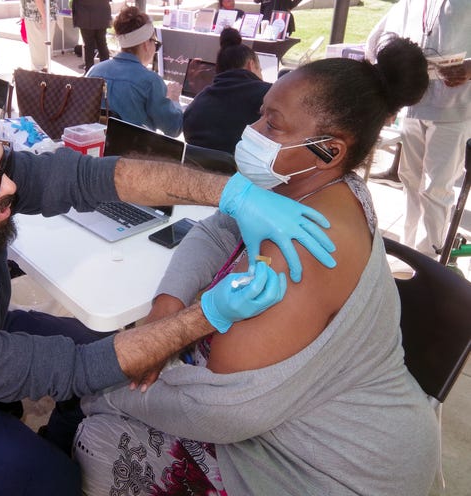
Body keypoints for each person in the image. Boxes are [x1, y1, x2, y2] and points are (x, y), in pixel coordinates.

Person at [0, 77, 338, 495]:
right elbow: (73, 369)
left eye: (3, 164)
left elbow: (95, 178)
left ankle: (65, 432)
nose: (8, 186)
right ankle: (57, 454)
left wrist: (230, 192)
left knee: (107, 362)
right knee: (52, 480)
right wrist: (208, 314)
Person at [75, 37, 440, 496]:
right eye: (261, 112)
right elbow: (215, 229)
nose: (252, 129)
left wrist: (107, 388)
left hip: (341, 471)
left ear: (330, 149)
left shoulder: (304, 249)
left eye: (272, 123)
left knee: (98, 433)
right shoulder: (303, 183)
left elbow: (222, 410)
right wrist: (164, 311)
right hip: (307, 429)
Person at [365, 0, 470, 259]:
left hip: (455, 107)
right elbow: (377, 42)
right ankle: (407, 254)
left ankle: (427, 260)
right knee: (410, 180)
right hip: (414, 103)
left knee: (437, 187)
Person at [87, 6, 183, 137]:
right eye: (155, 43)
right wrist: (173, 100)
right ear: (145, 44)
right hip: (134, 153)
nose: (155, 48)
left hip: (95, 150)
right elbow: (173, 128)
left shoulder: (94, 71)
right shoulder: (150, 81)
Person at [183, 27, 271, 155]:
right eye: (260, 70)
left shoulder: (196, 103)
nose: (261, 76)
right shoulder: (270, 97)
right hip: (244, 173)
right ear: (250, 65)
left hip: (198, 172)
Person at [72, 0, 111, 72]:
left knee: (89, 46)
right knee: (102, 44)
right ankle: (106, 71)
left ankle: (90, 73)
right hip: (101, 14)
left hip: (85, 15)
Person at [20, 0, 58, 72]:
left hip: (41, 16)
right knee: (40, 58)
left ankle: (42, 76)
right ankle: (40, 78)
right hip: (38, 17)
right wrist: (44, 15)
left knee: (43, 55)